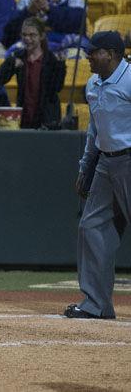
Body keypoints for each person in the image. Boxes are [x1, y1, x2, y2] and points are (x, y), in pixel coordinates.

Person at [66, 31, 131, 320]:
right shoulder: (93, 84)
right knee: (90, 225)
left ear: (113, 54)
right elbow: (94, 131)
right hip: (106, 163)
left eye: (94, 52)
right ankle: (96, 304)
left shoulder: (130, 79)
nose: (88, 57)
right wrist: (86, 168)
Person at [0, 16, 66, 129]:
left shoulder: (52, 60)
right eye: (24, 35)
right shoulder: (17, 57)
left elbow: (57, 88)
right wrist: (10, 64)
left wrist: (61, 67)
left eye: (32, 35)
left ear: (41, 36)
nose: (27, 38)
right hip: (24, 118)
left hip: (47, 120)